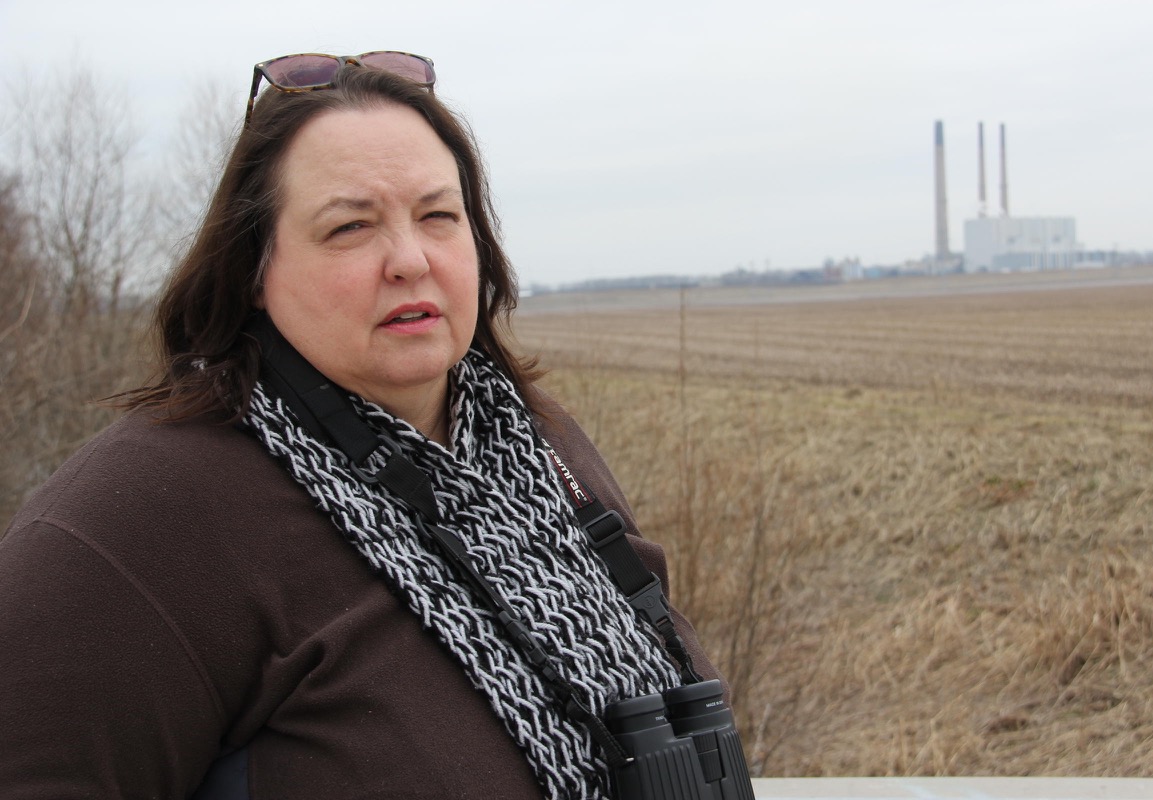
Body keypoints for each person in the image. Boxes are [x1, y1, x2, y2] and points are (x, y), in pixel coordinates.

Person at [0, 53, 729, 799]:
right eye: (351, 226)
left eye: (439, 216)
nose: (410, 259)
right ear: (254, 268)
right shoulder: (144, 513)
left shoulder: (535, 443)